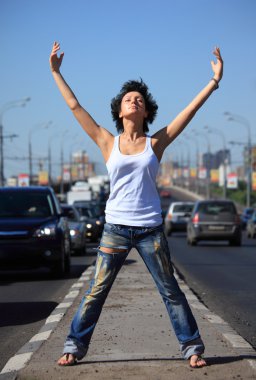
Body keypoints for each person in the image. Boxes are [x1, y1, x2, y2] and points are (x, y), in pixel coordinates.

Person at [49, 41, 223, 368]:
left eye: (140, 100)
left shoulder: (155, 143)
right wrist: (57, 73)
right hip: (115, 229)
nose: (134, 101)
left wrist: (214, 81)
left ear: (146, 112)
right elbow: (75, 106)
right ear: (120, 111)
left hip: (149, 230)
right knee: (96, 291)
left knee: (170, 290)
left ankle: (192, 348)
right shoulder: (106, 141)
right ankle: (73, 345)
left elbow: (189, 112)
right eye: (129, 99)